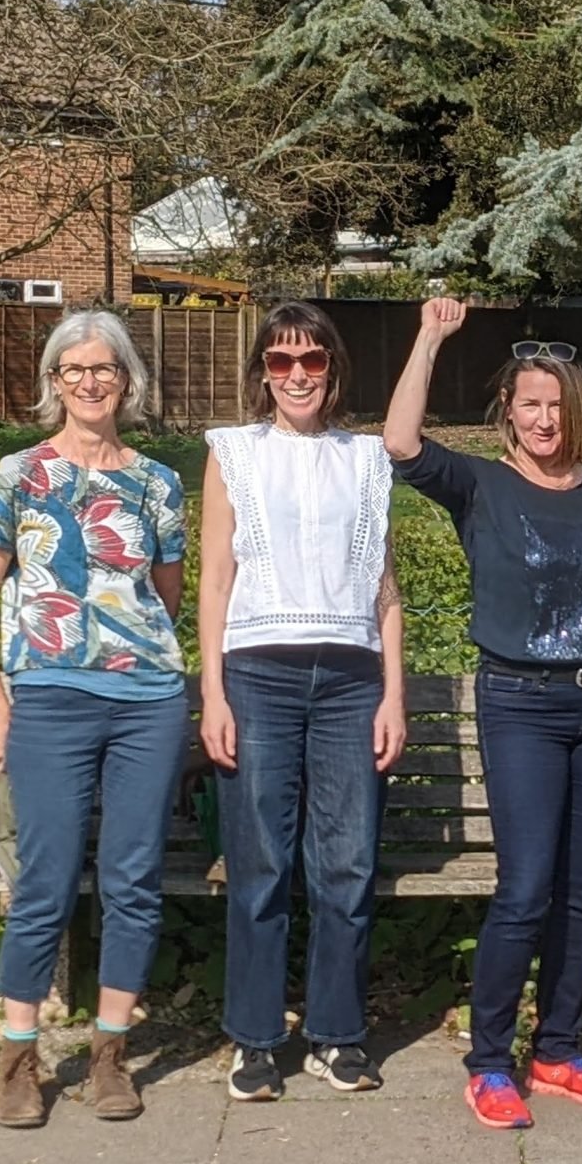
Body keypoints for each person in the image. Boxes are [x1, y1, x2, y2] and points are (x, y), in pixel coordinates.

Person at [384, 298, 582, 1130]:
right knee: (525, 889)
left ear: (577, 412)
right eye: (530, 403)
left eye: (558, 404)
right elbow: (400, 443)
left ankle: (558, 1049)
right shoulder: (479, 485)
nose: (545, 418)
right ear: (508, 412)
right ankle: (489, 1059)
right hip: (522, 705)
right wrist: (428, 336)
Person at [0, 309, 188, 1128]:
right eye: (73, 370)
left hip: (148, 703)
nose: (90, 383)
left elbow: (169, 599)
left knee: (133, 880)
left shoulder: (158, 483)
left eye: (105, 369)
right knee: (44, 882)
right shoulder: (19, 476)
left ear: (127, 380)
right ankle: (19, 1060)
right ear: (54, 384)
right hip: (49, 700)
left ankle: (110, 1056)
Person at [198, 301, 406, 1102]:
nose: (295, 376)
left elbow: (384, 587)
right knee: (260, 865)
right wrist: (213, 691)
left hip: (352, 679)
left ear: (333, 368)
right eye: (280, 362)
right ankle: (254, 1040)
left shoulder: (366, 458)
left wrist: (393, 692)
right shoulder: (233, 454)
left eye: (310, 361)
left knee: (347, 863)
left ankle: (337, 1034)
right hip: (258, 674)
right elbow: (215, 578)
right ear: (261, 372)